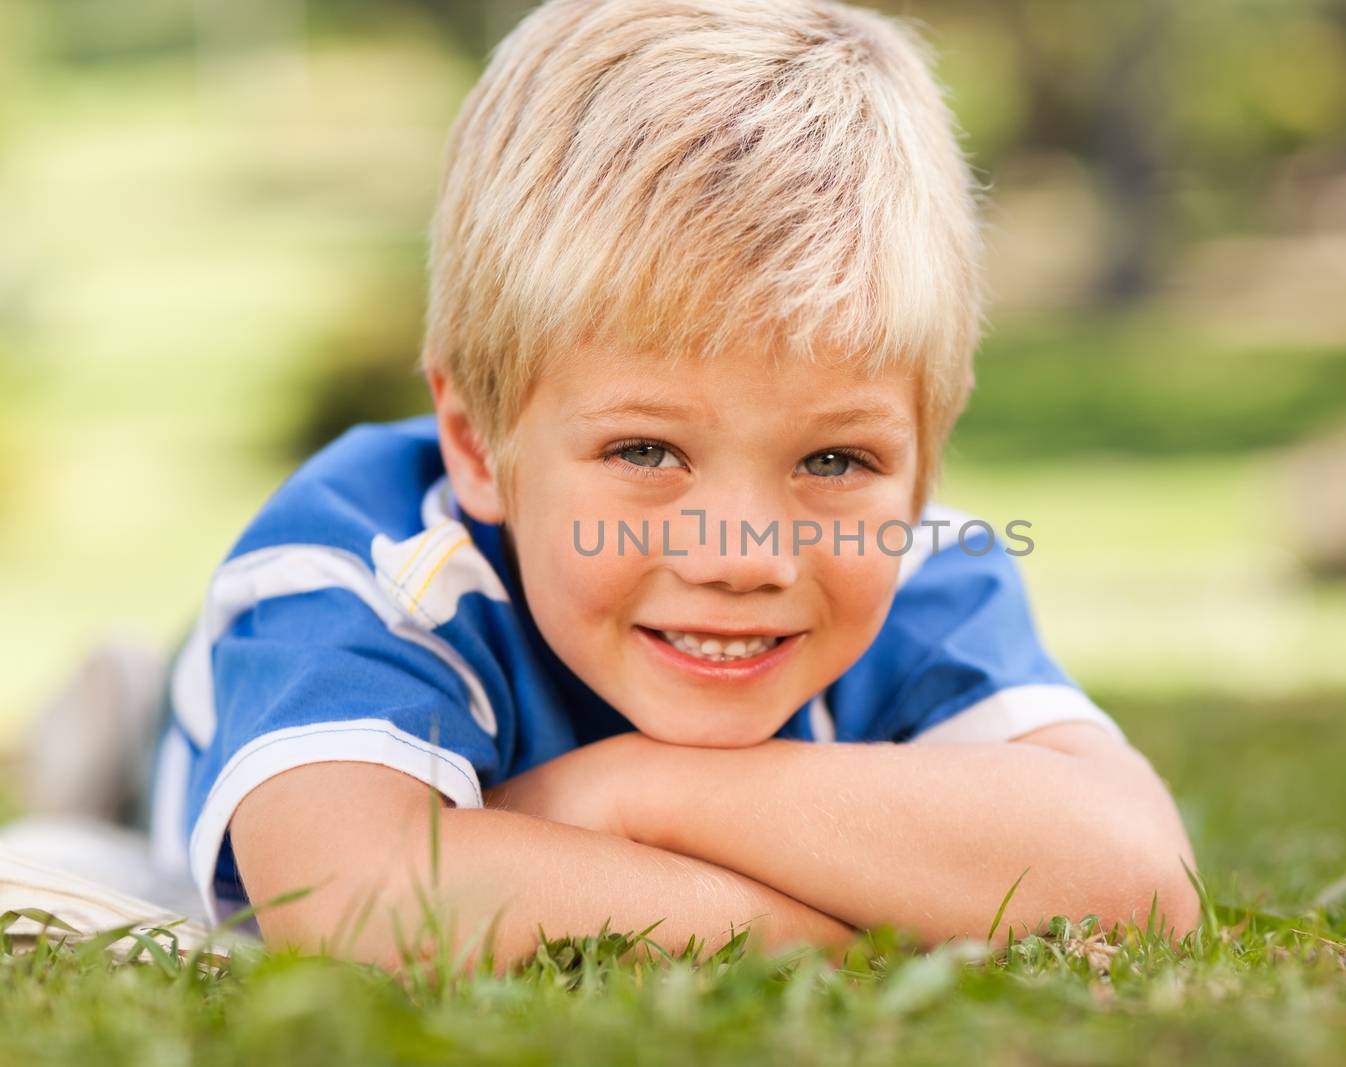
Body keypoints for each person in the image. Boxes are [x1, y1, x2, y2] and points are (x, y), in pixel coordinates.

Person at [145, 0, 1199, 968]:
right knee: (156, 732)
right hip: (222, 709)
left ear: (924, 458)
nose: (741, 556)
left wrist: (632, 789)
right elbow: (358, 901)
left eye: (834, 460)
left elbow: (1140, 877)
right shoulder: (373, 564)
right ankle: (124, 711)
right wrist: (847, 939)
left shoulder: (924, 575)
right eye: (646, 452)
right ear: (476, 443)